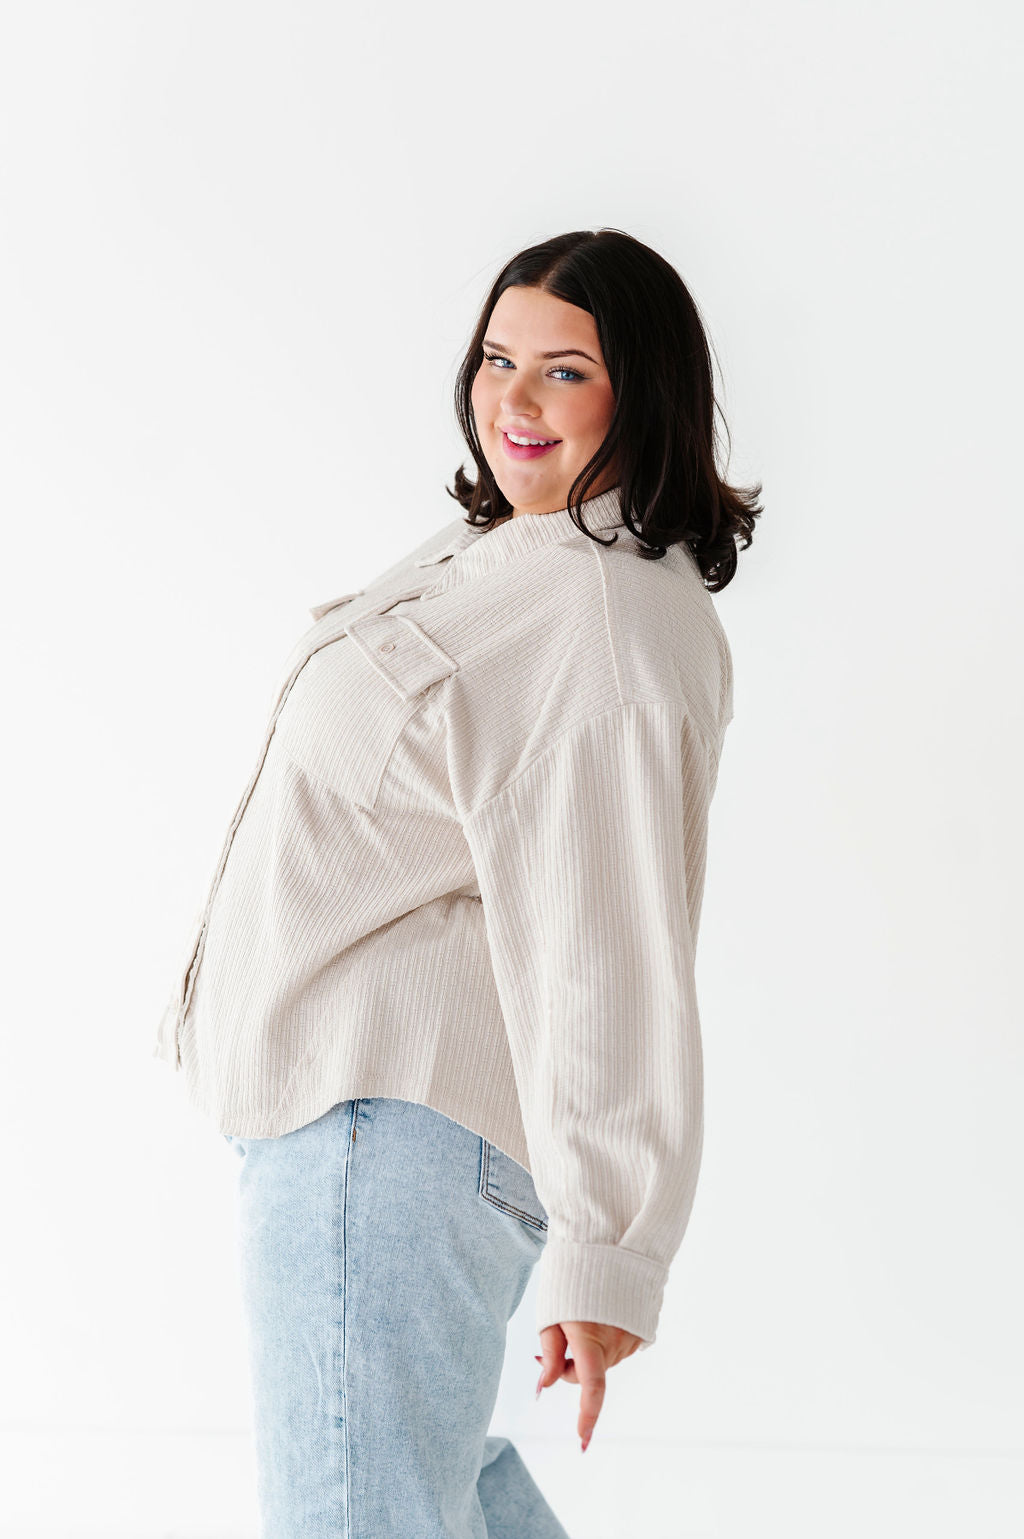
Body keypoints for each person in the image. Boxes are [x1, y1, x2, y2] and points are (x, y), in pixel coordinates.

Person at [152, 226, 761, 1537]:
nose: (513, 401)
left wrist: (611, 1251)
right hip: (368, 1133)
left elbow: (614, 943)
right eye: (498, 359)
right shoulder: (521, 557)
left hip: (389, 1137)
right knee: (420, 1495)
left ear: (643, 391)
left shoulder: (598, 613)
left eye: (564, 371)